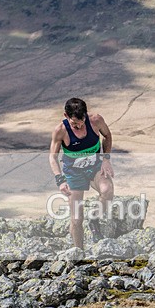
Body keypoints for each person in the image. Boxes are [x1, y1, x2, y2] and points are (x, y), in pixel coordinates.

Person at [49, 97, 114, 249]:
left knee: (107, 190)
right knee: (77, 219)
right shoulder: (60, 131)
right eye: (74, 123)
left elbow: (108, 136)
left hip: (95, 166)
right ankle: (79, 253)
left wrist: (106, 159)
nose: (78, 126)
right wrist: (60, 179)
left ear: (86, 114)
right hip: (74, 173)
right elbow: (52, 157)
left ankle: (94, 219)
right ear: (66, 116)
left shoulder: (96, 120)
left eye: (81, 122)